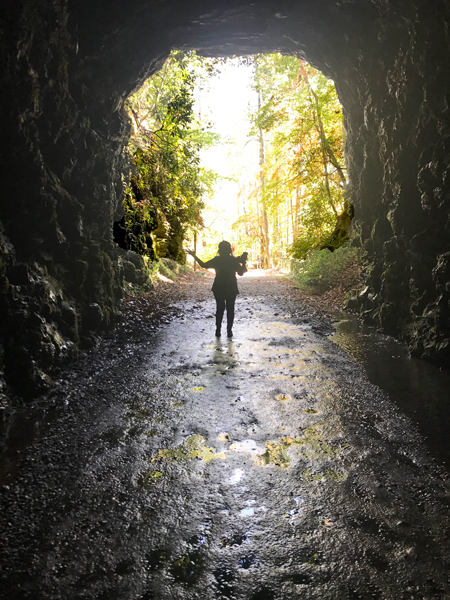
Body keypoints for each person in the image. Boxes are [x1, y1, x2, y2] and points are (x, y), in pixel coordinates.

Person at [187, 241, 248, 338]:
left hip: (218, 286)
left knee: (220, 308)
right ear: (229, 250)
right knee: (230, 309)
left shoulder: (217, 260)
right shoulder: (233, 260)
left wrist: (194, 256)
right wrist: (244, 263)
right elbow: (241, 273)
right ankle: (229, 331)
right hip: (231, 286)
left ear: (219, 250)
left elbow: (203, 265)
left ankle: (218, 330)